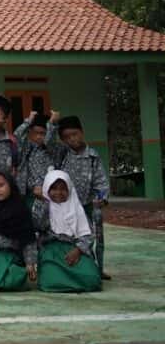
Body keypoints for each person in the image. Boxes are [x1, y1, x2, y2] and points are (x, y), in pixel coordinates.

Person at [51, 115, 110, 279]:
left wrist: (102, 198)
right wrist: (53, 125)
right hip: (65, 205)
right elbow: (48, 143)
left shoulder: (92, 156)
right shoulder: (62, 153)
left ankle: (99, 268)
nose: (72, 139)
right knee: (71, 237)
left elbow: (101, 181)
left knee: (93, 236)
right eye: (67, 137)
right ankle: (81, 263)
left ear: (82, 132)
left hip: (87, 205)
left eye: (75, 134)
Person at [32, 169, 102, 293]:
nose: (58, 193)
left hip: (75, 249)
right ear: (46, 189)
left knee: (93, 279)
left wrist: (78, 250)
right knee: (49, 280)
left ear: (69, 189)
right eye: (54, 188)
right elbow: (38, 225)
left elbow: (88, 234)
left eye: (63, 189)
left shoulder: (77, 209)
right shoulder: (42, 205)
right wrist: (43, 202)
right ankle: (67, 282)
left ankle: (68, 282)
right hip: (51, 250)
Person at [15, 111, 59, 207]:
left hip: (50, 195)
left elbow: (49, 141)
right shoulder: (27, 148)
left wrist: (51, 123)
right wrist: (28, 121)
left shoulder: (51, 149)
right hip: (29, 195)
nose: (38, 136)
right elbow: (18, 135)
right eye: (35, 133)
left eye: (43, 133)